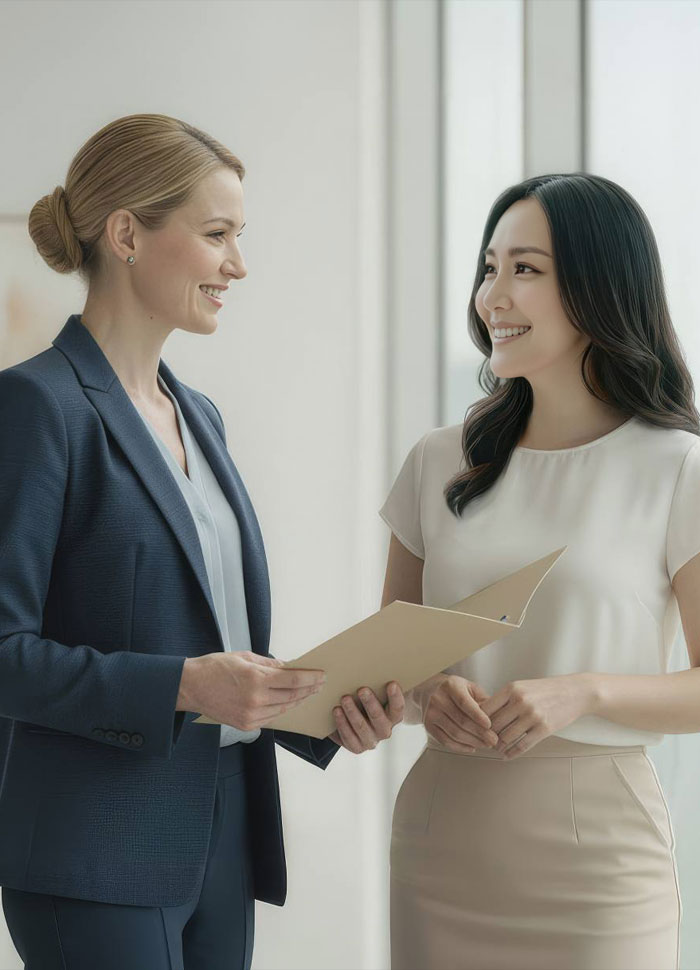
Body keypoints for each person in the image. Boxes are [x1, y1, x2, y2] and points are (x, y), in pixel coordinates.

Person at [0, 112, 405, 970]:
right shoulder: (39, 407)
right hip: (95, 851)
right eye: (217, 234)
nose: (238, 264)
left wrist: (319, 714)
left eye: (239, 236)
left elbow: (215, 647)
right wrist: (185, 685)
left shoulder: (201, 416)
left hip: (221, 830)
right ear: (126, 236)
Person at [380, 172, 700, 970]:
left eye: (526, 269)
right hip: (442, 844)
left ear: (600, 288)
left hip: (601, 860)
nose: (494, 295)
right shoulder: (437, 460)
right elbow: (389, 662)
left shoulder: (677, 467)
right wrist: (426, 692)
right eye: (490, 268)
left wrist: (585, 691)